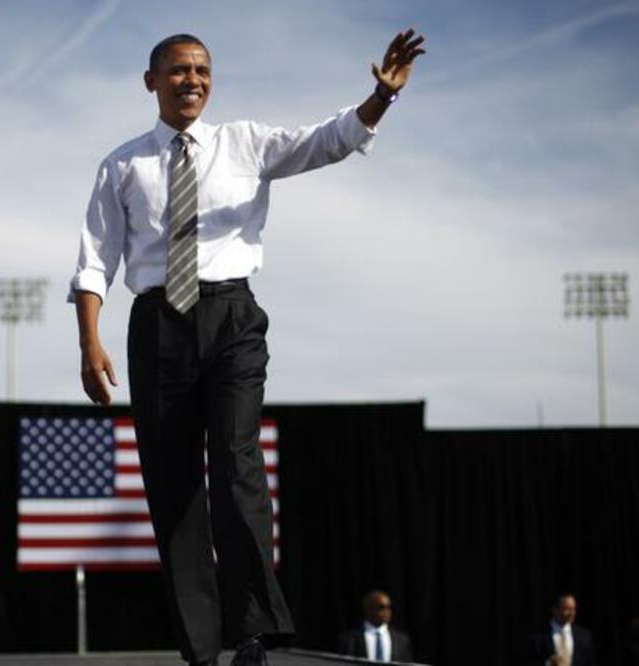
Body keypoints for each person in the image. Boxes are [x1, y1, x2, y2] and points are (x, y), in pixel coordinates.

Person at [69, 30, 425, 666]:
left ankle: (253, 631)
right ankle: (201, 649)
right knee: (174, 486)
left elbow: (327, 141)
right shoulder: (122, 165)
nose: (193, 81)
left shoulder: (246, 143)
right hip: (158, 326)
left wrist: (381, 98)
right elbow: (95, 261)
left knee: (237, 464)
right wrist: (89, 342)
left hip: (231, 316)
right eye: (179, 71)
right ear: (151, 81)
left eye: (202, 70)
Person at [336, 589, 414, 662]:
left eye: (389, 607)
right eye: (381, 607)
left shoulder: (401, 640)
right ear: (368, 609)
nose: (387, 611)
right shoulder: (350, 639)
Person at [528, 593, 596, 666]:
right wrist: (548, 663)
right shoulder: (538, 636)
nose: (572, 613)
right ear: (555, 610)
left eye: (573, 609)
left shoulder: (584, 636)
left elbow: (589, 662)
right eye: (567, 609)